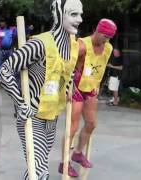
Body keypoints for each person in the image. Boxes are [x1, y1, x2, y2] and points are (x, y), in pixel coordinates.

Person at [0, 0, 83, 179]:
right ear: (58, 15)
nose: (80, 19)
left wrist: (69, 88)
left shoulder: (73, 46)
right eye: (73, 14)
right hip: (32, 115)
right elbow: (4, 71)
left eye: (81, 14)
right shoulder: (40, 44)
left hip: (52, 116)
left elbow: (65, 72)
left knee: (41, 168)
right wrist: (20, 103)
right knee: (37, 169)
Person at [60, 18, 117, 177]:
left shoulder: (108, 48)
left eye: (109, 38)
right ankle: (64, 162)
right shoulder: (82, 46)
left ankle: (78, 153)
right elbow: (64, 65)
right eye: (105, 36)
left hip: (90, 88)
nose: (106, 40)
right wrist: (67, 86)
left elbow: (102, 67)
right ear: (97, 31)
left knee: (91, 123)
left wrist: (97, 84)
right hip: (76, 87)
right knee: (73, 126)